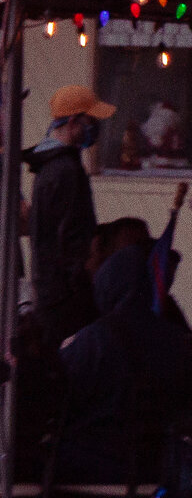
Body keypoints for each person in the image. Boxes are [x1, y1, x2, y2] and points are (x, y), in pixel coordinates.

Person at [54, 235, 192, 488]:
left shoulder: (95, 338)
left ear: (108, 283)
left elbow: (62, 395)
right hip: (164, 464)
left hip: (103, 463)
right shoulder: (179, 339)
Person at [27, 84, 112, 344]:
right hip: (65, 298)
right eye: (91, 120)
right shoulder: (65, 170)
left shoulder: (49, 166)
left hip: (52, 293)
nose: (94, 126)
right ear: (74, 122)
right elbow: (71, 238)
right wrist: (82, 289)